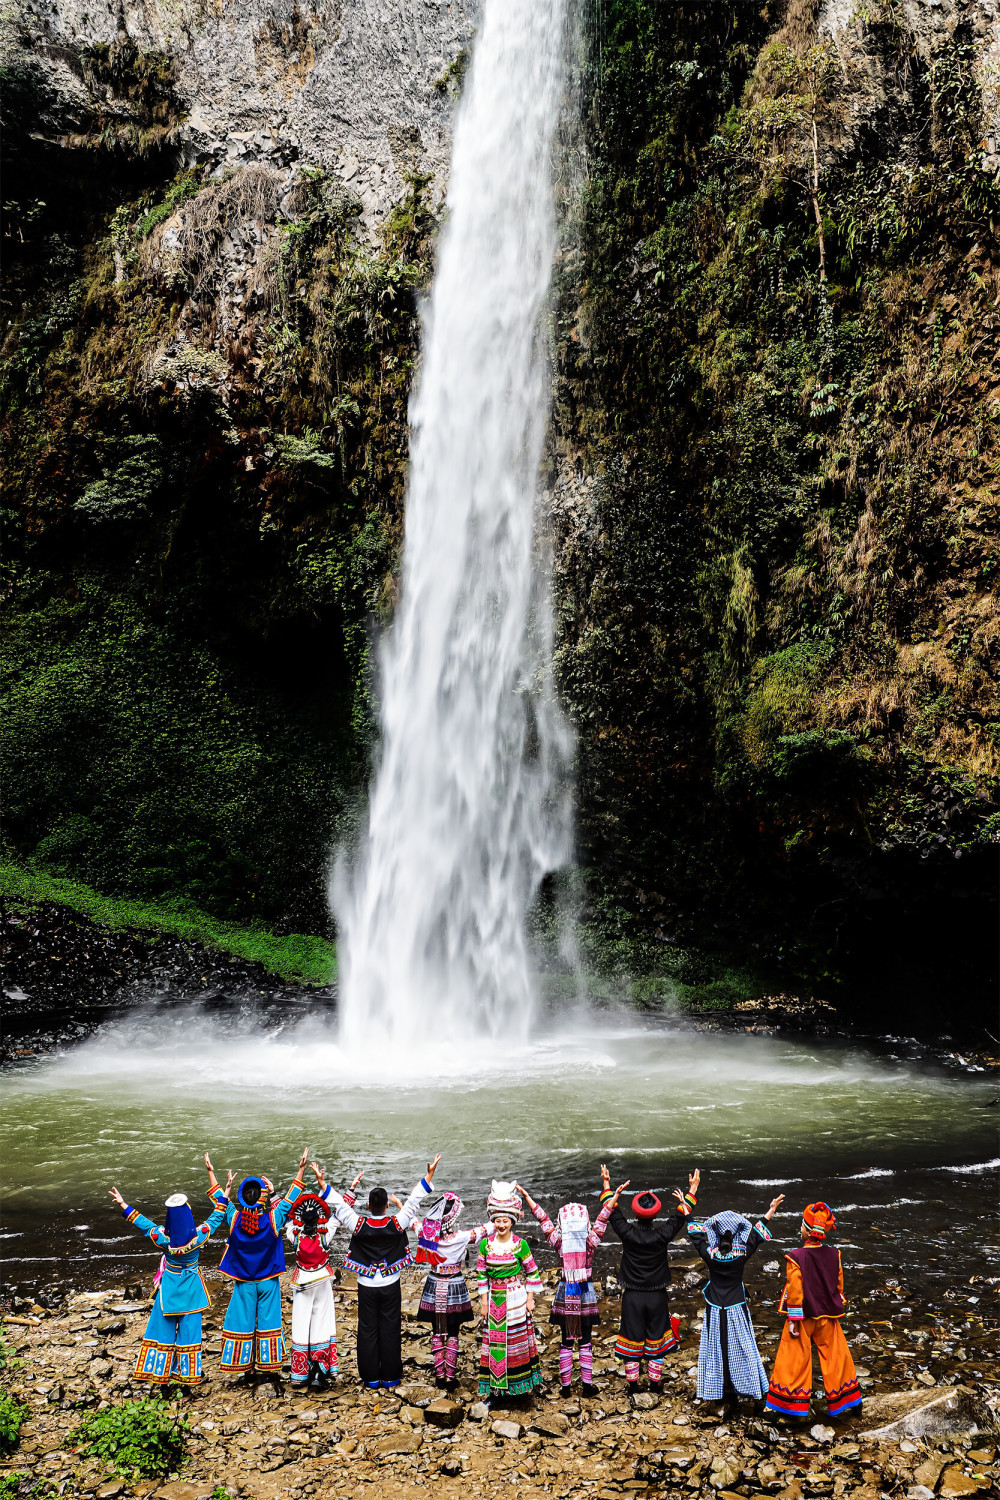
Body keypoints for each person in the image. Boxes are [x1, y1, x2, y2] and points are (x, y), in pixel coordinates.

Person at [323, 1154, 440, 1389]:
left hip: (366, 1285)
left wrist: (322, 1184)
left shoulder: (358, 1223)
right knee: (390, 1327)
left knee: (367, 1328)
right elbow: (414, 1201)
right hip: (390, 1283)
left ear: (368, 1206)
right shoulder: (397, 1222)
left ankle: (370, 1377)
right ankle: (390, 1376)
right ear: (387, 1205)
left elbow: (339, 1206)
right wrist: (429, 1175)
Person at [108, 1163, 231, 1388]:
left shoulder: (162, 1239)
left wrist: (123, 1204)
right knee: (190, 1332)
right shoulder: (199, 1237)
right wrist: (226, 1194)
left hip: (169, 1290)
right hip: (192, 1289)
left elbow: (144, 1224)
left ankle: (160, 1374)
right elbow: (217, 1216)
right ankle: (188, 1376)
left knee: (162, 1330)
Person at [516, 1168, 628, 1396]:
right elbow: (603, 1217)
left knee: (566, 1342)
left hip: (565, 1292)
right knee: (585, 1341)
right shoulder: (590, 1242)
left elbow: (543, 1220)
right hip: (585, 1291)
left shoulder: (559, 1242)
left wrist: (528, 1198)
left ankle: (566, 1388)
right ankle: (587, 1387)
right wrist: (613, 1193)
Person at [206, 1146, 309, 1388]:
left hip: (244, 1282)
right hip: (268, 1280)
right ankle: (268, 1370)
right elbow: (292, 1197)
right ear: (263, 1199)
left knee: (242, 1321)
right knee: (269, 1321)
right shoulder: (273, 1218)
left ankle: (246, 1368)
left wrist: (211, 1172)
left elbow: (219, 1200)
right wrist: (301, 1168)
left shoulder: (234, 1218)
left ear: (242, 1198)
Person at [603, 1166, 700, 1400]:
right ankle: (655, 1385)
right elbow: (679, 1216)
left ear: (635, 1214)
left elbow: (611, 1211)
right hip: (657, 1295)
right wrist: (692, 1189)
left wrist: (607, 1184)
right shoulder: (662, 1235)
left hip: (633, 1296)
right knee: (657, 1337)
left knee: (631, 1337)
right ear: (655, 1215)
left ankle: (634, 1387)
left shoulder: (627, 1233)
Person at [765, 1201, 862, 1420]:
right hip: (828, 1315)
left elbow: (795, 1290)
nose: (799, 1228)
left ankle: (781, 1405)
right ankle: (850, 1401)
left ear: (807, 1230)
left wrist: (792, 1319)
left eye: (801, 1225)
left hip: (804, 1317)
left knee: (793, 1357)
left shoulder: (796, 1256)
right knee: (836, 1356)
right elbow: (838, 1288)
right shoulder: (834, 1254)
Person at [687, 1196, 783, 1411]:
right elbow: (756, 1236)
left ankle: (719, 1389)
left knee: (716, 1347)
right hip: (736, 1307)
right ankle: (744, 1385)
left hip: (714, 1308)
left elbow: (696, 1236)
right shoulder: (741, 1255)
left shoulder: (710, 1256)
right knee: (740, 1347)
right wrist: (770, 1211)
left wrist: (687, 1210)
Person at [285, 1168, 363, 1393]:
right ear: (318, 1218)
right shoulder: (325, 1232)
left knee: (301, 1324)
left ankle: (301, 1372)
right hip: (322, 1280)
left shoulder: (294, 1234)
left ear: (300, 1221)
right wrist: (351, 1188)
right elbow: (341, 1212)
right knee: (322, 1323)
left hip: (301, 1282)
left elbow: (284, 1212)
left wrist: (274, 1195)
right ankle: (320, 1370)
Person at [414, 1190, 494, 1389]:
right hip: (455, 1286)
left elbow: (413, 1223)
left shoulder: (427, 1235)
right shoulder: (461, 1237)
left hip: (434, 1284)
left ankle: (439, 1375)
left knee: (436, 1330)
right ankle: (450, 1376)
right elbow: (486, 1229)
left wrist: (401, 1205)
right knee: (453, 1332)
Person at [476, 1181, 543, 1405]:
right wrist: (484, 1303)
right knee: (495, 1345)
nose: (501, 1224)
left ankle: (520, 1390)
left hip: (515, 1297)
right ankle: (497, 1392)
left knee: (516, 1343)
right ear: (493, 1221)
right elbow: (481, 1276)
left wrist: (530, 1300)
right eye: (498, 1221)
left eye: (505, 1221)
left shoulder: (520, 1244)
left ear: (512, 1221)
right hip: (495, 1297)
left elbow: (532, 1272)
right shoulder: (485, 1245)